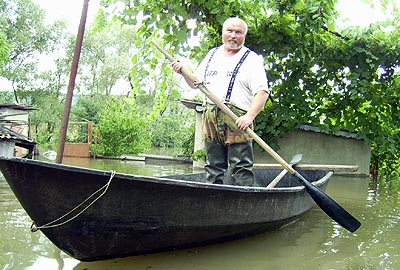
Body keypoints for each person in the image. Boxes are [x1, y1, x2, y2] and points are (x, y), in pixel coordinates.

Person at [172, 17, 269, 186]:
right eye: (229, 31)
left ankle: (245, 205)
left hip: (236, 120)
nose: (233, 35)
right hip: (210, 117)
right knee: (213, 167)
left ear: (244, 35)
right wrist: (183, 72)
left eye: (238, 32)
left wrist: (249, 117)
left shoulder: (252, 59)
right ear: (223, 33)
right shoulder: (212, 55)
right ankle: (213, 201)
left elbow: (262, 92)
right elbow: (196, 83)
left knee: (240, 168)